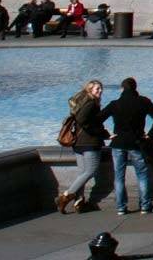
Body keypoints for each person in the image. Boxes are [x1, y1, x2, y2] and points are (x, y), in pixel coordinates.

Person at [102, 77, 153, 215]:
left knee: (119, 176)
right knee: (142, 175)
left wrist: (107, 135)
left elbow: (97, 119)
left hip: (118, 143)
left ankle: (121, 208)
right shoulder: (143, 102)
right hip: (136, 143)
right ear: (136, 88)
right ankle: (145, 206)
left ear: (122, 89)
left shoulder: (115, 104)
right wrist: (150, 135)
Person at [58, 79, 109, 214]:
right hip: (89, 142)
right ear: (89, 90)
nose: (100, 91)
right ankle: (65, 196)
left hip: (78, 143)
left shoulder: (83, 103)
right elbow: (83, 120)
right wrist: (102, 133)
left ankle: (79, 203)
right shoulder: (91, 103)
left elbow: (81, 120)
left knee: (82, 173)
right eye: (97, 89)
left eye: (101, 88)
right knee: (90, 171)